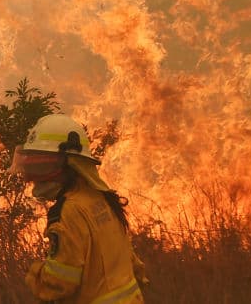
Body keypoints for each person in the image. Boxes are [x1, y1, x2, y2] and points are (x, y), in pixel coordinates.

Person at [11, 114, 149, 303]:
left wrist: (34, 274)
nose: (35, 178)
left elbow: (59, 283)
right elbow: (132, 264)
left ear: (72, 165)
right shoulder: (101, 198)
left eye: (44, 167)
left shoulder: (69, 211)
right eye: (33, 167)